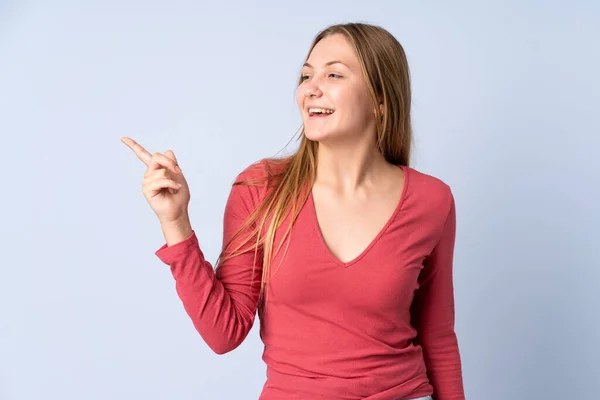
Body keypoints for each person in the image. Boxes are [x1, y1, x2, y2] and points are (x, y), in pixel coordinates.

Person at [122, 22, 465, 400]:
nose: (311, 88)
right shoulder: (261, 188)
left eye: (334, 74)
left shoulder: (431, 200)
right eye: (306, 75)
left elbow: (438, 337)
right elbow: (224, 333)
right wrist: (175, 222)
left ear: (380, 100)